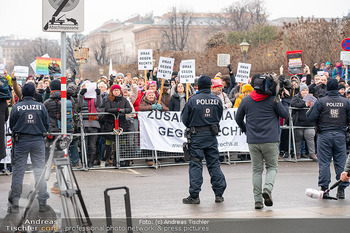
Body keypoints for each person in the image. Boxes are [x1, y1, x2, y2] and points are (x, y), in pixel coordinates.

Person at [235, 74, 290, 209]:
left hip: (253, 140)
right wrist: (284, 100)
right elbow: (286, 115)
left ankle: (258, 201)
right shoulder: (273, 100)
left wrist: (246, 130)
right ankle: (267, 188)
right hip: (270, 139)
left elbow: (238, 119)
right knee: (272, 167)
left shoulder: (246, 100)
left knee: (256, 170)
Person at [181, 75, 226, 204]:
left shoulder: (192, 100)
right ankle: (219, 194)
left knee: (195, 164)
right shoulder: (217, 100)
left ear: (198, 86)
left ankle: (194, 196)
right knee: (214, 164)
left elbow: (185, 119)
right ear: (210, 86)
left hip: (196, 137)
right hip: (211, 135)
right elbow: (219, 115)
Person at [8, 83, 50, 213]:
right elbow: (46, 124)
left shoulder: (16, 107)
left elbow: (11, 124)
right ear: (34, 94)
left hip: (21, 141)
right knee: (39, 171)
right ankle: (42, 202)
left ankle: (15, 203)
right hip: (38, 141)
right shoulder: (41, 107)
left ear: (23, 94)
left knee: (18, 172)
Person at [306, 78, 350, 199]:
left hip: (324, 135)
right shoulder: (346, 102)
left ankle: (324, 188)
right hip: (340, 135)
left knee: (324, 163)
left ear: (327, 88)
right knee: (340, 162)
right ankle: (341, 188)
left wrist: (310, 107)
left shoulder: (321, 101)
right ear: (337, 88)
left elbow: (310, 117)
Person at [290, 83, 317, 161]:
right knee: (298, 138)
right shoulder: (296, 97)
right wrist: (304, 104)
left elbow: (317, 105)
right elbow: (293, 104)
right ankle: (297, 153)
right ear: (300, 91)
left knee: (310, 138)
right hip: (299, 122)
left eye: (306, 90)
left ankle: (312, 153)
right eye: (303, 90)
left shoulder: (311, 98)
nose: (305, 92)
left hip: (309, 123)